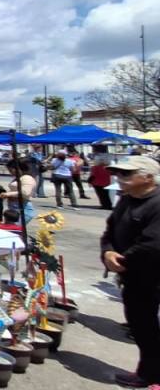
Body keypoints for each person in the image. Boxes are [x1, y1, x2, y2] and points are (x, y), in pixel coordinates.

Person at [99, 156, 160, 388]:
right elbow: (110, 231)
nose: (120, 179)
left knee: (150, 327)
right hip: (132, 276)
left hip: (153, 275)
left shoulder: (157, 203)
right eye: (119, 174)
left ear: (147, 177)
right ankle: (148, 372)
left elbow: (154, 244)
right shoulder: (126, 200)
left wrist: (122, 259)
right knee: (142, 326)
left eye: (126, 174)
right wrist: (107, 253)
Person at [0, 160, 37, 224]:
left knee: (14, 229)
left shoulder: (27, 178)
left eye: (11, 170)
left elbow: (25, 193)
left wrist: (8, 194)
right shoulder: (19, 178)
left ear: (18, 168)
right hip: (14, 209)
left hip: (23, 209)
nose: (10, 172)